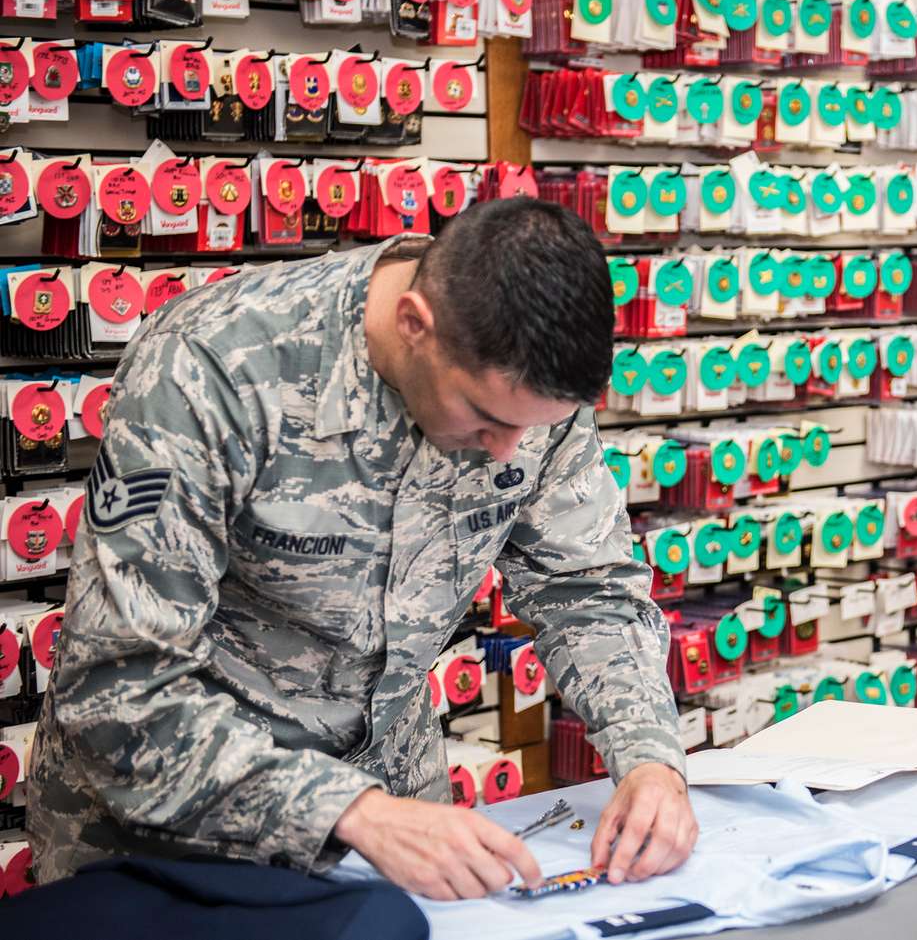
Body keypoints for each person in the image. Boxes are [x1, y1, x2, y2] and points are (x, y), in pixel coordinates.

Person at [27, 198, 697, 901]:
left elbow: (587, 590)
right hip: (177, 837)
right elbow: (119, 688)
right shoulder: (212, 367)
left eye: (531, 428)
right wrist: (352, 811)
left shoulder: (527, 386)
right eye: (488, 419)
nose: (509, 449)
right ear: (415, 325)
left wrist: (649, 755)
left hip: (400, 821)